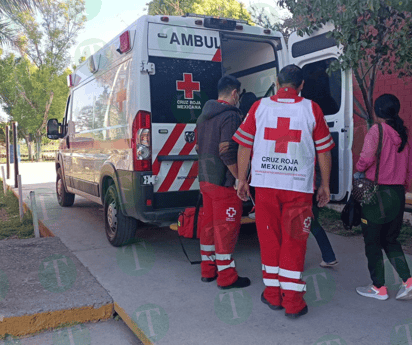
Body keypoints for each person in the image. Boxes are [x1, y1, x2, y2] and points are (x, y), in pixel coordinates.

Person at [234, 64, 334, 318]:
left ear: (277, 84)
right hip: (298, 187)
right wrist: (325, 185)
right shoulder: (312, 108)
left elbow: (244, 146)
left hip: (265, 186)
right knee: (294, 241)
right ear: (302, 85)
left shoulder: (259, 107)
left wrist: (242, 179)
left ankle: (272, 295)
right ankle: (293, 302)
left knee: (269, 240)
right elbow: (324, 150)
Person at [195, 75, 251, 290]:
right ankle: (227, 277)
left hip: (205, 180)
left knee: (208, 227)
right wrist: (240, 178)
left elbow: (198, 148)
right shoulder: (231, 116)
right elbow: (227, 152)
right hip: (224, 183)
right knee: (226, 229)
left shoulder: (203, 116)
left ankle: (208, 270)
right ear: (235, 93)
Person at [355, 94, 412, 301]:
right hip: (397, 193)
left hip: (376, 194)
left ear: (377, 111)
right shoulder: (403, 133)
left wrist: (359, 169)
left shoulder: (376, 131)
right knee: (391, 239)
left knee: (373, 241)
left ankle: (379, 287)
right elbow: (408, 168)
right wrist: (403, 188)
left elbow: (365, 159)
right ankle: (408, 281)